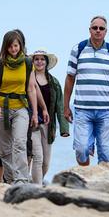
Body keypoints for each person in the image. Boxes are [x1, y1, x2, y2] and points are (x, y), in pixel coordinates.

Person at [63, 15, 109, 165]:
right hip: (82, 110)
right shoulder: (78, 49)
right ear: (89, 30)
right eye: (95, 28)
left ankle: (99, 186)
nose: (98, 31)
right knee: (81, 149)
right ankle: (86, 177)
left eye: (101, 28)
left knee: (106, 154)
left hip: (106, 111)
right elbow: (70, 78)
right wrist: (65, 106)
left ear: (106, 31)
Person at [0, 30, 46, 184]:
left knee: (19, 142)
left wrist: (34, 113)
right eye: (10, 46)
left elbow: (31, 88)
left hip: (21, 108)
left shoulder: (27, 63)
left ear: (20, 46)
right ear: (5, 47)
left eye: (16, 46)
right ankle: (11, 178)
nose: (13, 49)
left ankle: (22, 179)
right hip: (1, 108)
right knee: (4, 149)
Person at [27, 49, 68, 183]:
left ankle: (35, 183)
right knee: (37, 157)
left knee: (45, 163)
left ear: (46, 62)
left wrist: (64, 128)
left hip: (48, 125)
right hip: (32, 124)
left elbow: (60, 105)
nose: (39, 62)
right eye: (36, 59)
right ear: (32, 62)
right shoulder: (27, 79)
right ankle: (37, 188)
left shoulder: (54, 82)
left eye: (42, 59)